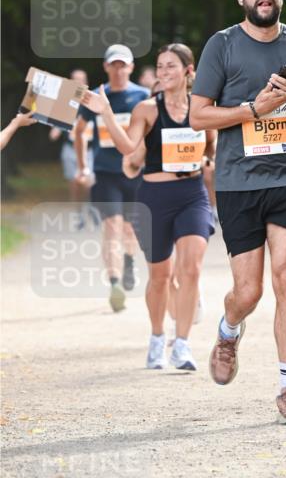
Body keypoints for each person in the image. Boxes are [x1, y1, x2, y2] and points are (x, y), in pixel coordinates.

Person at [190, 0, 286, 425]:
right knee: (248, 292)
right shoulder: (222, 46)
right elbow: (198, 116)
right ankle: (230, 328)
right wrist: (252, 109)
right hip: (238, 183)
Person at [82, 44, 216, 371]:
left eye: (171, 66)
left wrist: (207, 160)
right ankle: (157, 337)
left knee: (192, 269)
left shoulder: (202, 109)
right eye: (160, 66)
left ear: (188, 71)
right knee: (160, 277)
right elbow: (128, 147)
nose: (164, 72)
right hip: (154, 198)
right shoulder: (147, 109)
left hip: (192, 194)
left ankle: (182, 345)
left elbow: (212, 146)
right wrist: (105, 112)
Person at [73, 45, 149, 312]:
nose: (118, 69)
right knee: (112, 227)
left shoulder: (143, 96)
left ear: (131, 67)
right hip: (105, 173)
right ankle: (115, 283)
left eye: (123, 65)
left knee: (130, 229)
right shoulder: (95, 97)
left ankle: (128, 261)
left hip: (135, 173)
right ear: (106, 67)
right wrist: (83, 167)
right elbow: (79, 132)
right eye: (113, 65)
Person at [49, 69, 94, 221]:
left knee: (87, 182)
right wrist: (55, 130)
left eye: (81, 80)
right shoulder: (65, 102)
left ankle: (89, 206)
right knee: (74, 184)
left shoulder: (93, 102)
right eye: (74, 80)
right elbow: (57, 123)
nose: (78, 83)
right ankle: (78, 213)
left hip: (89, 150)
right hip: (70, 148)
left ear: (86, 82)